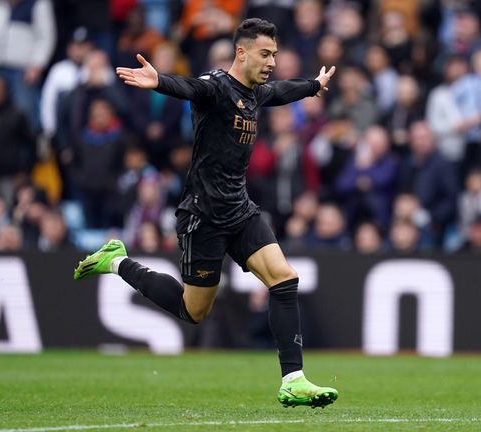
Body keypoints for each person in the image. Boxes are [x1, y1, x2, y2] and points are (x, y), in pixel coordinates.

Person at [74, 18, 338, 408]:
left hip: (240, 210)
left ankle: (293, 380)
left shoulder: (254, 93)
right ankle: (117, 263)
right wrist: (160, 81)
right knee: (193, 310)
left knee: (285, 279)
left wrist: (313, 86)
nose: (271, 62)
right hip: (203, 216)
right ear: (242, 52)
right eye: (265, 54)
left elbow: (281, 91)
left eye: (275, 55)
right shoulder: (216, 87)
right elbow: (189, 87)